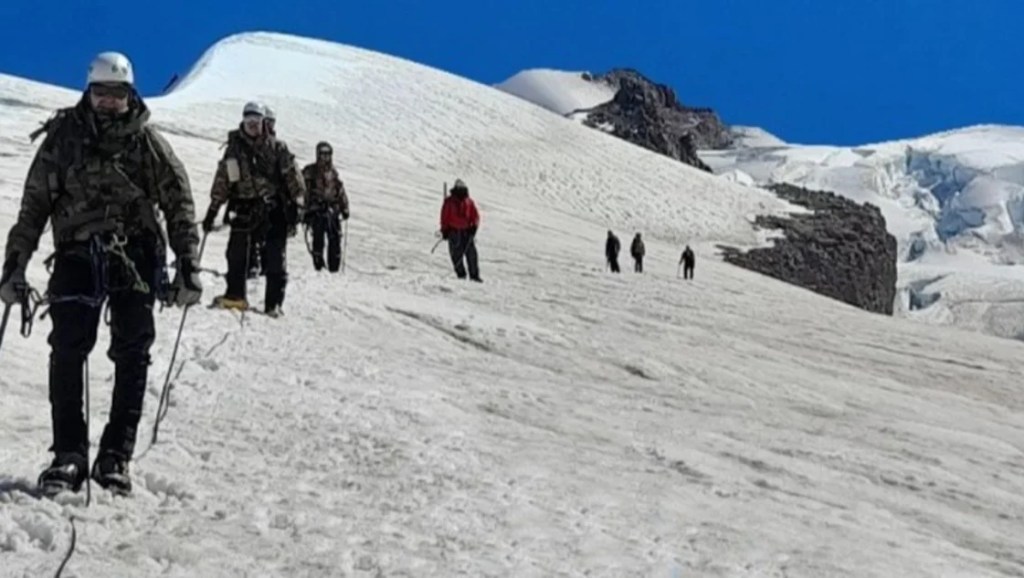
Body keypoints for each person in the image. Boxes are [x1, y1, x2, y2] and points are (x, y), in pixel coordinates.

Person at [0, 51, 202, 495]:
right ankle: (69, 455)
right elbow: (35, 205)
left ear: (130, 95)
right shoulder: (63, 139)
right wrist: (15, 264)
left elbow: (179, 202)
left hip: (136, 252)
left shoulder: (147, 144)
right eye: (102, 93)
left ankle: (116, 456)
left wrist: (188, 263)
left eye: (117, 94)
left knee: (133, 348)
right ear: (89, 91)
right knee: (68, 346)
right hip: (76, 253)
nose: (109, 101)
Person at [202, 101, 304, 317]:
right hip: (244, 206)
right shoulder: (234, 150)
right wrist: (213, 210)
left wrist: (297, 204)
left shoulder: (278, 148)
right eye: (248, 122)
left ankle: (273, 304)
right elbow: (224, 180)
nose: (252, 126)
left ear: (263, 123)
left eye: (256, 122)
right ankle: (236, 295)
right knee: (236, 254)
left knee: (276, 256)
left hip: (273, 207)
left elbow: (293, 177)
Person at [302, 141, 349, 272]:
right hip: (316, 211)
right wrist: (305, 210)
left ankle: (334, 268)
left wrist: (344, 208)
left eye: (327, 155)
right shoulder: (310, 171)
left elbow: (340, 190)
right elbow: (302, 191)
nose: (325, 158)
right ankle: (319, 266)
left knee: (335, 238)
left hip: (332, 210)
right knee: (318, 240)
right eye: (322, 155)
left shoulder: (333, 172)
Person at [440, 178, 481, 282]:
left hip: (467, 231)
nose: (462, 190)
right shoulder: (449, 201)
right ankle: (461, 275)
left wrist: (474, 227)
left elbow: (475, 215)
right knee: (456, 254)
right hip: (453, 231)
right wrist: (444, 230)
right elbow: (444, 216)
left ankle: (474, 275)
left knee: (471, 254)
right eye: (460, 188)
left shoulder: (469, 201)